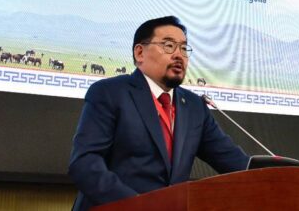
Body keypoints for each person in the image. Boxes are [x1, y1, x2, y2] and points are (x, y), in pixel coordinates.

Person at [68, 16, 249, 211]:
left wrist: (273, 174)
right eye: (169, 46)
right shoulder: (110, 93)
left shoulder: (195, 107)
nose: (179, 55)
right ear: (140, 53)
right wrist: (138, 206)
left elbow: (235, 162)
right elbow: (85, 164)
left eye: (184, 48)